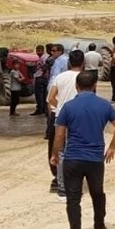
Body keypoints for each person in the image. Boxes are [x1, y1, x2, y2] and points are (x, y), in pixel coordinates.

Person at [51, 71, 115, 229]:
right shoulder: (104, 105)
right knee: (97, 193)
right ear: (95, 86)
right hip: (95, 158)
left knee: (73, 197)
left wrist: (55, 154)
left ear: (76, 87)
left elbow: (60, 135)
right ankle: (99, 227)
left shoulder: (68, 107)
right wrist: (112, 147)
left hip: (73, 158)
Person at [48, 50, 86, 201]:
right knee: (76, 151)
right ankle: (75, 187)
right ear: (83, 63)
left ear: (69, 62)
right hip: (79, 120)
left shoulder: (60, 77)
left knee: (61, 153)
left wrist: (61, 108)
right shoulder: (85, 78)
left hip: (61, 119)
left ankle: (62, 188)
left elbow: (51, 98)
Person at [44, 44, 69, 191]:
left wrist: (54, 106)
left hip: (58, 111)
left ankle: (57, 178)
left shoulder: (59, 66)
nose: (51, 53)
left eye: (53, 51)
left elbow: (51, 92)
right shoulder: (82, 77)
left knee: (57, 144)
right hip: (73, 112)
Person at [32, 44, 49, 115]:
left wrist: (44, 73)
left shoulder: (43, 58)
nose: (37, 52)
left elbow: (46, 66)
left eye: (39, 51)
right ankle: (43, 109)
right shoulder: (43, 57)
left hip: (40, 77)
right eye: (37, 51)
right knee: (44, 95)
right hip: (42, 77)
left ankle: (39, 109)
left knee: (39, 95)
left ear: (43, 50)